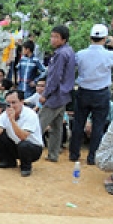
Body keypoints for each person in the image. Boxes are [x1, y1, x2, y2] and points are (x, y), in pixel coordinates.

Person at [69, 24, 113, 165]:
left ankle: (74, 154)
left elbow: (72, 66)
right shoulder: (109, 55)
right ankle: (92, 156)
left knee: (78, 124)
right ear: (105, 39)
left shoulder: (81, 54)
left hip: (83, 91)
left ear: (90, 37)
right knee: (98, 126)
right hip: (101, 93)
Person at [38, 25, 76, 162]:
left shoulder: (60, 54)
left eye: (56, 37)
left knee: (39, 124)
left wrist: (45, 94)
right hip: (64, 95)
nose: (52, 39)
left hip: (55, 95)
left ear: (64, 39)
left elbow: (55, 77)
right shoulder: (69, 51)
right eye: (52, 36)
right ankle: (53, 154)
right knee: (56, 126)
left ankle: (28, 152)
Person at [0, 90, 44, 177]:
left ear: (22, 102)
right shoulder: (5, 114)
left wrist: (12, 120)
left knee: (24, 144)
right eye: (8, 103)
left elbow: (23, 136)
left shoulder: (30, 114)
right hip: (16, 145)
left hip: (33, 148)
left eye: (14, 102)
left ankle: (26, 167)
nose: (11, 106)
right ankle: (8, 161)